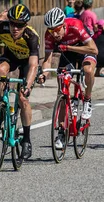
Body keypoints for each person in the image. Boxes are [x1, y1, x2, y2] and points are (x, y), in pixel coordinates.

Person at [0, 4, 39, 160]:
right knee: (0, 71)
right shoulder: (1, 27)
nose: (15, 28)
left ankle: (27, 140)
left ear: (25, 25)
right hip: (11, 56)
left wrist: (27, 86)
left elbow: (34, 65)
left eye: (20, 25)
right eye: (12, 23)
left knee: (23, 99)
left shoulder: (32, 36)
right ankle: (1, 107)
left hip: (26, 63)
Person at [39, 7, 99, 138]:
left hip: (84, 49)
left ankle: (87, 100)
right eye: (50, 30)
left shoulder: (75, 26)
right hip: (68, 54)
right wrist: (43, 74)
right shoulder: (49, 35)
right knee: (62, 90)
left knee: (88, 70)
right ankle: (61, 131)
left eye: (56, 29)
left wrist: (68, 47)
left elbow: (94, 50)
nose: (54, 34)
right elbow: (47, 60)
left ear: (63, 25)